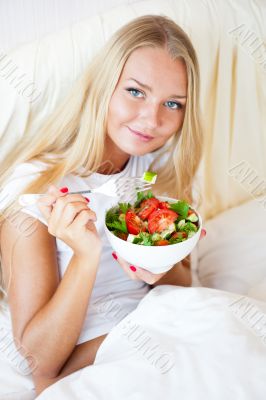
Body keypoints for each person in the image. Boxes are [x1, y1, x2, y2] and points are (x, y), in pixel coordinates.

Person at [0, 15, 205, 395]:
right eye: (135, 91)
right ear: (103, 85)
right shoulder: (35, 189)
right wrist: (86, 255)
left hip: (171, 322)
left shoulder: (159, 172)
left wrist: (162, 265)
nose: (152, 119)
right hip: (106, 350)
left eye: (173, 103)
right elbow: (40, 364)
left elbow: (186, 281)